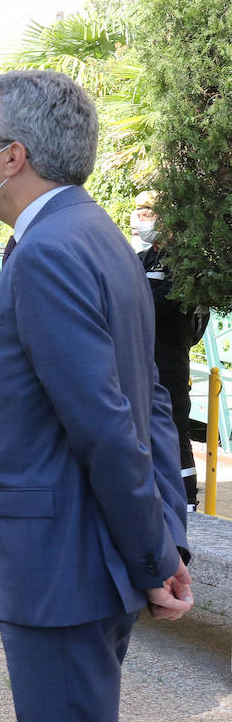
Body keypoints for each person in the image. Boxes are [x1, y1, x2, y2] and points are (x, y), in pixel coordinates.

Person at [0, 70, 192, 722]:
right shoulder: (96, 234)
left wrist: (156, 554)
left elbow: (105, 423)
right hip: (87, 559)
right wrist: (167, 537)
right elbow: (150, 399)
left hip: (61, 568)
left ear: (14, 156)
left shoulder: (51, 250)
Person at [132, 190, 206, 513]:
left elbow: (156, 302)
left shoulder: (183, 262)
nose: (141, 219)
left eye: (148, 213)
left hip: (170, 363)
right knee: (145, 428)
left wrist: (138, 297)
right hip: (144, 360)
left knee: (175, 430)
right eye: (140, 213)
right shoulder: (144, 257)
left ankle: (187, 500)